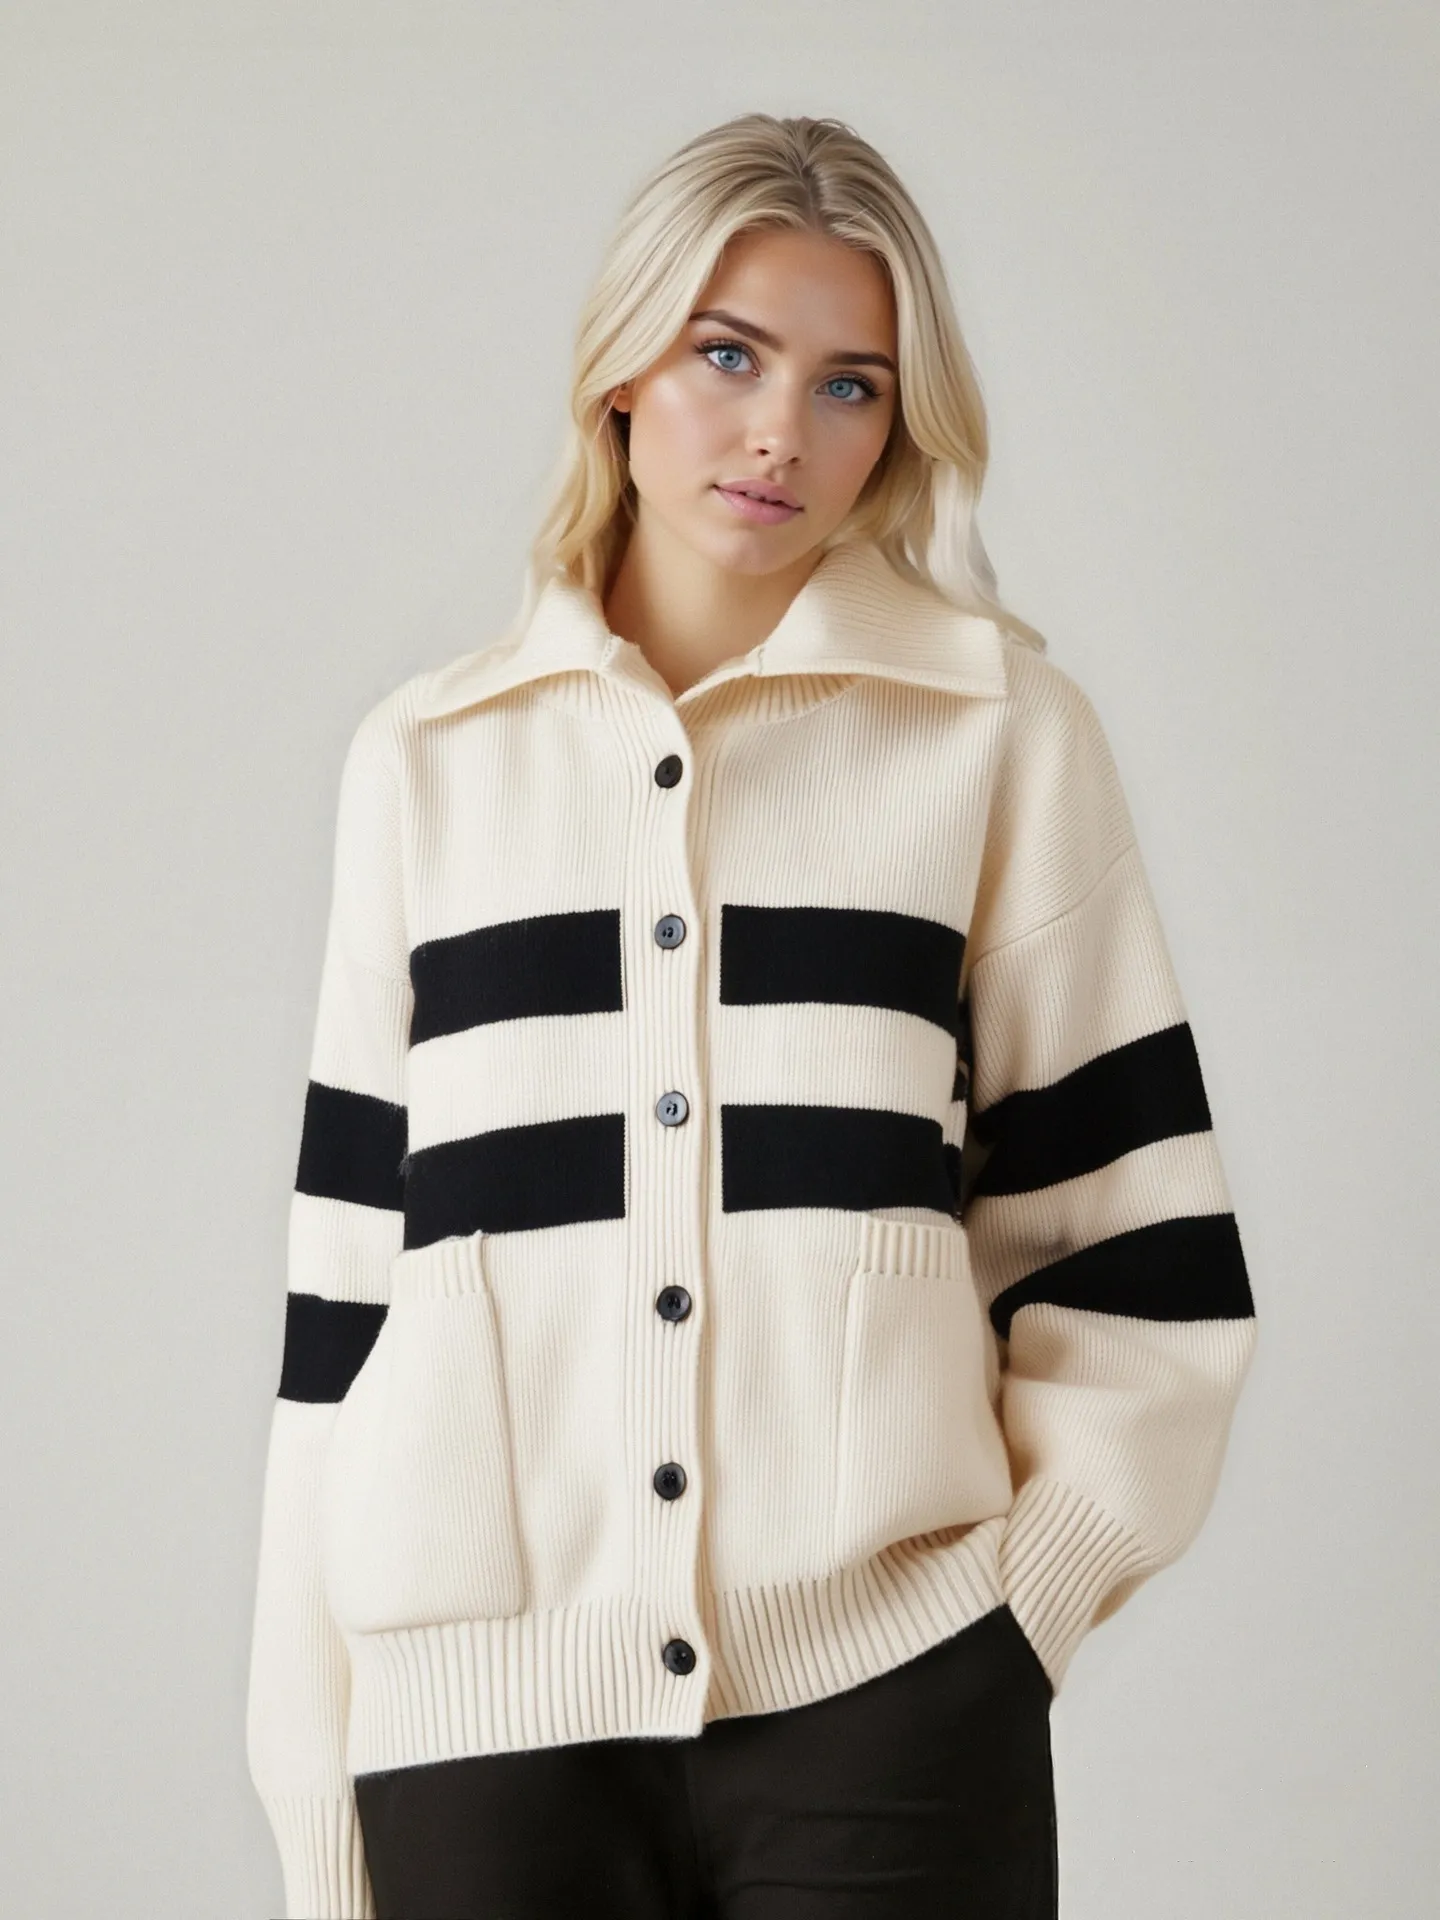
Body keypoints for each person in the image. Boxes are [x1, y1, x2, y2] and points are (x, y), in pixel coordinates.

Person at [245, 113, 1257, 1919]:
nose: (783, 428)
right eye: (730, 356)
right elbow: (341, 1318)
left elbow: (1138, 1253)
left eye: (848, 384)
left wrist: (1008, 1626)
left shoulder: (994, 735)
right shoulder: (428, 761)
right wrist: (317, 1793)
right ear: (622, 371)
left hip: (893, 1723)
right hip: (477, 1745)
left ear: (898, 427)